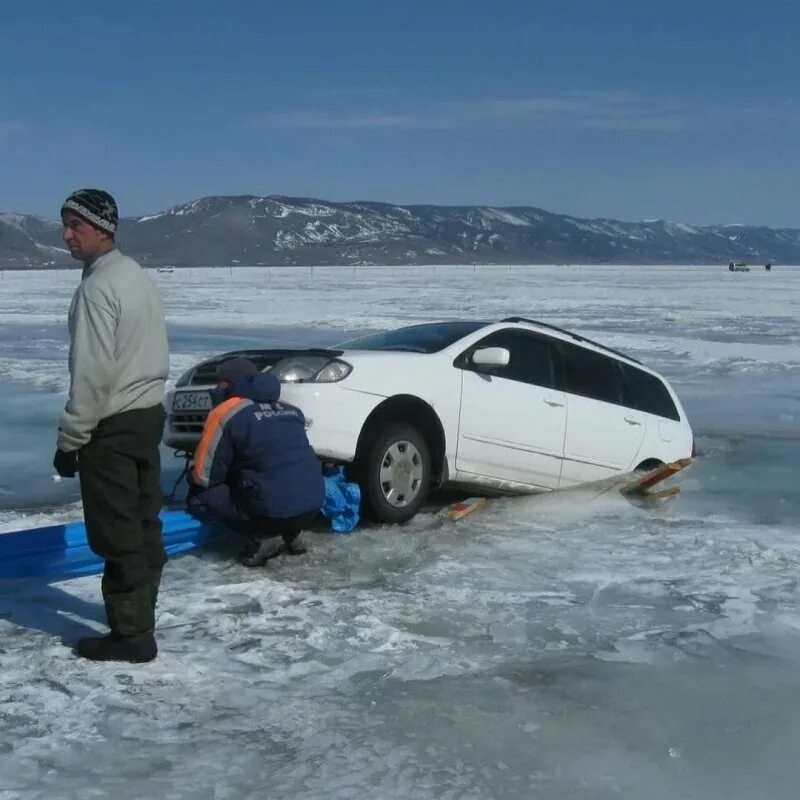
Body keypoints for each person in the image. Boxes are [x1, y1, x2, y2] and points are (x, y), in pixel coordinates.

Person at [53, 189, 169, 664]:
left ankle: (132, 634)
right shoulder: (134, 276)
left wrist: (71, 439)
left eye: (75, 225)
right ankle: (138, 616)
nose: (66, 235)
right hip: (146, 417)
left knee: (118, 532)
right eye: (64, 224)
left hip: (113, 426)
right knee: (143, 524)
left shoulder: (98, 289)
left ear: (103, 228)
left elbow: (92, 375)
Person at [186, 357, 325, 565]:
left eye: (219, 382)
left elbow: (204, 476)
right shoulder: (290, 410)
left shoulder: (226, 412)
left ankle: (261, 536)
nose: (216, 387)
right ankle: (292, 533)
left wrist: (192, 471)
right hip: (311, 507)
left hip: (269, 513)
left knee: (199, 495)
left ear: (230, 384)